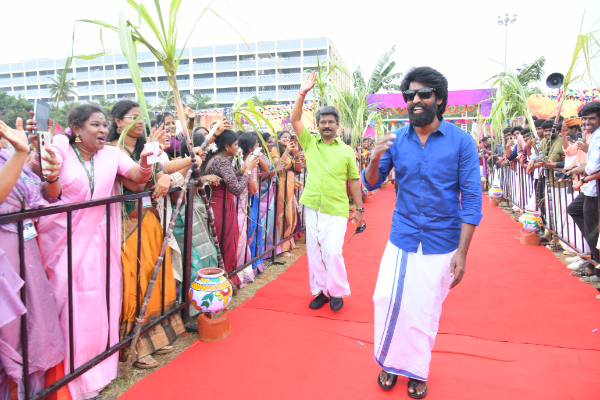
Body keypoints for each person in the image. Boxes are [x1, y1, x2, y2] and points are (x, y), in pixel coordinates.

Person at [363, 67, 482, 398]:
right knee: (387, 299)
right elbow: (371, 183)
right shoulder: (396, 139)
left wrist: (462, 253)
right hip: (402, 235)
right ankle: (389, 361)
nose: (415, 100)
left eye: (423, 94)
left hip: (441, 241)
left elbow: (472, 200)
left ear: (439, 99)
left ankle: (416, 370)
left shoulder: (462, 141)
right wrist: (374, 158)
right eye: (409, 95)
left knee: (424, 309)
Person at [27, 103, 156, 398]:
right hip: (62, 243)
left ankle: (94, 373)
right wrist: (43, 163)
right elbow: (49, 183)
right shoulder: (60, 146)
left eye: (104, 125)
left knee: (99, 304)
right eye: (95, 125)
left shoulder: (111, 154)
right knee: (69, 308)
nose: (102, 130)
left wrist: (146, 160)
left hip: (102, 241)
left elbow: (138, 178)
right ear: (76, 129)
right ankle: (64, 377)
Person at [106, 100, 183, 369]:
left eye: (141, 117)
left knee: (154, 275)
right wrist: (153, 165)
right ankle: (133, 345)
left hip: (149, 219)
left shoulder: (144, 148)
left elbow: (160, 174)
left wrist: (164, 177)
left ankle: (154, 336)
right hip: (124, 224)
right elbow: (136, 182)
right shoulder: (111, 151)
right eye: (132, 117)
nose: (139, 122)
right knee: (133, 280)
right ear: (117, 121)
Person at [0, 120, 66, 400]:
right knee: (7, 329)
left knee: (31, 322)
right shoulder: (14, 154)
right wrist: (20, 152)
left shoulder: (8, 154)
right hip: (5, 252)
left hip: (25, 248)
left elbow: (49, 195)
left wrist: (50, 174)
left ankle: (29, 390)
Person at [291, 71, 364, 312]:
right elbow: (295, 119)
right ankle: (321, 291)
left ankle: (337, 291)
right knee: (314, 253)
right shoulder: (310, 142)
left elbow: (354, 181)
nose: (326, 125)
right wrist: (302, 93)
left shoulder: (346, 151)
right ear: (318, 125)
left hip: (337, 208)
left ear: (337, 125)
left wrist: (359, 209)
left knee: (332, 251)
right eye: (323, 122)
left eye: (331, 122)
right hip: (312, 206)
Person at [201, 129, 260, 289]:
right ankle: (223, 281)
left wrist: (243, 169)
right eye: (235, 144)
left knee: (220, 243)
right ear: (226, 146)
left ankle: (220, 280)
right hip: (222, 207)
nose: (237, 148)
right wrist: (248, 171)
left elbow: (229, 178)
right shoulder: (222, 161)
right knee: (225, 243)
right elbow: (237, 188)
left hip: (217, 204)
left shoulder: (214, 159)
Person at [566, 101, 600, 282]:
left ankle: (596, 269)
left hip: (594, 189)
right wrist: (580, 168)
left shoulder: (598, 136)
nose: (587, 122)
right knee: (575, 210)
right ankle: (592, 262)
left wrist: (584, 175)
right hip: (590, 188)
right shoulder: (593, 135)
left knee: (594, 232)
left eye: (591, 118)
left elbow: (594, 168)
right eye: (584, 119)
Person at [273, 131, 303, 257]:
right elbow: (277, 166)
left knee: (290, 215)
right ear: (278, 139)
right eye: (284, 137)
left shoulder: (290, 152)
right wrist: (286, 152)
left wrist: (296, 155)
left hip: (290, 187)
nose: (287, 138)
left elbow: (298, 169)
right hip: (281, 186)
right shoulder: (275, 150)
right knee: (282, 215)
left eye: (289, 137)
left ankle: (288, 243)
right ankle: (281, 248)